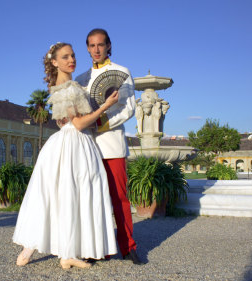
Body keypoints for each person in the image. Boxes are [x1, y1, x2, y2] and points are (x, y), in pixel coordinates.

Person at [12, 42, 119, 269]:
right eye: (65, 57)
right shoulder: (66, 88)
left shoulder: (66, 85)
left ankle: (50, 250)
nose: (71, 60)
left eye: (72, 55)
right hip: (74, 142)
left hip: (68, 142)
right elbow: (78, 124)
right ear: (54, 62)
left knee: (56, 195)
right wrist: (105, 106)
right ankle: (60, 252)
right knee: (71, 194)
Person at [75, 28, 144, 265]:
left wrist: (103, 123)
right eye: (92, 45)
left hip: (112, 143)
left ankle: (128, 246)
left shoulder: (122, 72)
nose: (96, 50)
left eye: (100, 45)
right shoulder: (80, 79)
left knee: (119, 199)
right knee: (92, 199)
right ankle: (95, 249)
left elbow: (129, 108)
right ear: (87, 48)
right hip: (87, 146)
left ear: (108, 46)